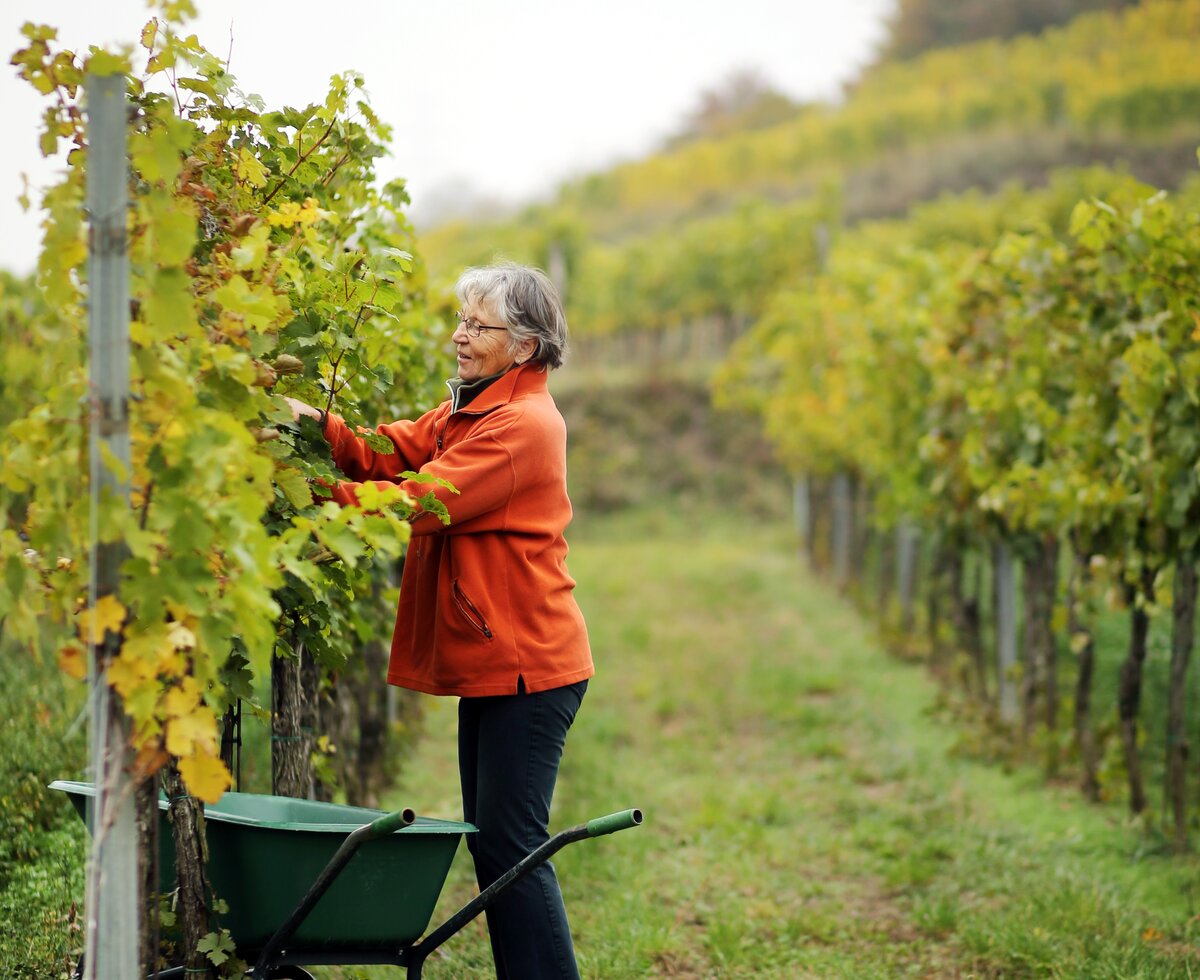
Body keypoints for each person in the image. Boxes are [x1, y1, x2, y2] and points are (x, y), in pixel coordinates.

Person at [285, 262, 593, 979]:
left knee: (512, 844)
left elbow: (417, 501)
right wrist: (319, 427)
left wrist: (316, 493)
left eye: (477, 326)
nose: (459, 335)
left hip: (528, 666)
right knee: (497, 844)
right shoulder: (473, 407)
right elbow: (392, 449)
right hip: (499, 662)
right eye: (461, 320)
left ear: (523, 347)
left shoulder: (521, 425)